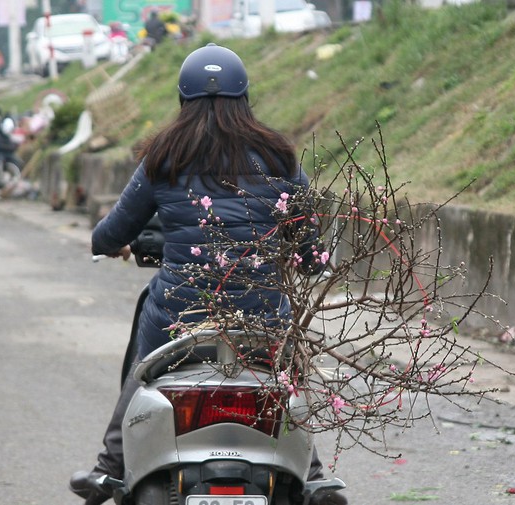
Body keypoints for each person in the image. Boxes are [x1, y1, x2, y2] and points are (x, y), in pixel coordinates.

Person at [69, 43, 347, 505]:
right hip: (263, 314)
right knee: (285, 380)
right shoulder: (280, 158)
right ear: (244, 97)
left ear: (182, 99)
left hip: (180, 312)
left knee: (143, 374)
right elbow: (310, 257)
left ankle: (108, 467)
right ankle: (313, 473)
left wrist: (117, 244)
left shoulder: (163, 157)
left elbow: (108, 234)